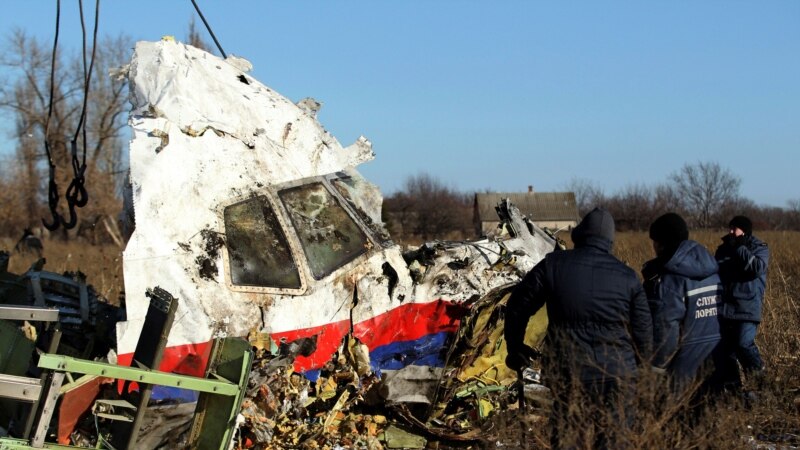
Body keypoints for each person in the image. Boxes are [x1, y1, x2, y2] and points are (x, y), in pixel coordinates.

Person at [505, 207, 653, 449]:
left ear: (579, 235)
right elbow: (644, 332)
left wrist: (515, 347)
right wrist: (642, 368)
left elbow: (518, 306)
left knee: (569, 438)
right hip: (618, 374)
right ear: (609, 241)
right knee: (614, 441)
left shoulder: (553, 265)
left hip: (569, 373)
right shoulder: (627, 277)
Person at [642, 213, 723, 395]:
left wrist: (655, 369)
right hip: (716, 362)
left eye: (654, 241)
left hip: (682, 373)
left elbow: (665, 331)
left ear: (661, 243)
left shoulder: (669, 281)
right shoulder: (712, 271)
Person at [715, 215, 769, 390]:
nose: (730, 231)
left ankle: (759, 381)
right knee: (726, 351)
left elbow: (756, 269)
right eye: (729, 227)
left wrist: (740, 247)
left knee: (743, 344)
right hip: (725, 308)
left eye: (734, 228)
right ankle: (734, 391)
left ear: (744, 230)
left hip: (747, 307)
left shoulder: (759, 248)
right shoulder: (723, 249)